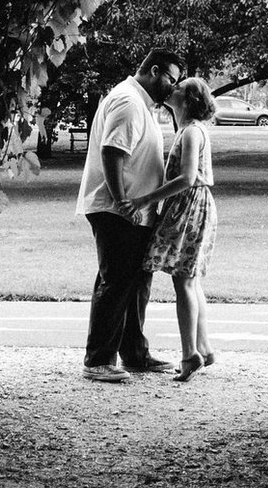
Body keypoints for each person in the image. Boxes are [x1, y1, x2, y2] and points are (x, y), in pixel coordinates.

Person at [75, 47, 183, 381]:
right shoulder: (128, 102)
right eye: (171, 79)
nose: (173, 88)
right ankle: (98, 360)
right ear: (154, 70)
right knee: (117, 280)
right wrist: (123, 201)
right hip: (117, 209)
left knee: (137, 282)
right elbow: (112, 152)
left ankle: (135, 354)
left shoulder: (143, 105)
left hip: (136, 210)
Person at [141, 76, 220, 380]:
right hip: (196, 205)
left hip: (190, 205)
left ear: (186, 100)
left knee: (184, 281)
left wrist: (147, 199)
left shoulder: (190, 133)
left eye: (177, 88)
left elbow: (187, 177)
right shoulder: (191, 130)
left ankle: (190, 354)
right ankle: (204, 348)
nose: (170, 90)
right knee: (191, 280)